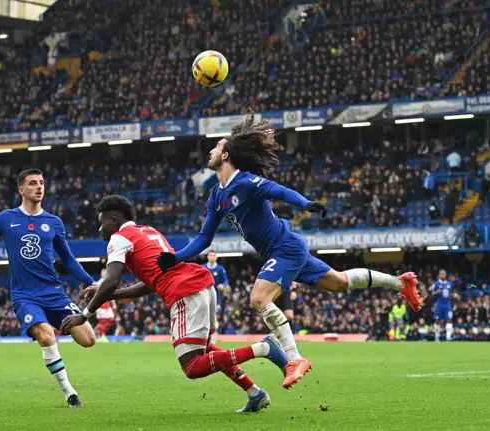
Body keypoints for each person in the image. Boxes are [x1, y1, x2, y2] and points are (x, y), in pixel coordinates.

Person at [156, 110, 422, 389]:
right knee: (340, 282)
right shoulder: (217, 195)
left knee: (259, 300)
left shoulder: (245, 182)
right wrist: (176, 257)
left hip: (285, 247)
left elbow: (279, 191)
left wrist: (306, 204)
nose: (210, 151)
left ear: (225, 156)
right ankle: (399, 283)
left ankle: (294, 358)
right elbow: (203, 239)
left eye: (216, 147)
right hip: (279, 252)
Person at [61, 195, 288, 413]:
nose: (100, 231)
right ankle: (254, 393)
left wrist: (84, 316)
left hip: (184, 291)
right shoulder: (148, 231)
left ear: (114, 219)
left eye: (101, 224)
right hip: (200, 284)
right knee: (206, 350)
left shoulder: (119, 238)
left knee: (192, 366)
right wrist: (109, 295)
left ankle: (263, 348)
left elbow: (111, 280)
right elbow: (151, 283)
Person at [0, 168, 96, 408]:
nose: (39, 187)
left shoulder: (54, 222)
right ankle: (70, 394)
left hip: (54, 293)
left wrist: (91, 281)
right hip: (25, 296)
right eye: (33, 183)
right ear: (21, 189)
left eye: (42, 183)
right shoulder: (5, 218)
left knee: (88, 340)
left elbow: (69, 259)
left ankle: (56, 328)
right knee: (45, 333)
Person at [201, 250, 229, 317]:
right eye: (210, 255)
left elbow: (226, 280)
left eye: (214, 255)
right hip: (204, 295)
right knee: (205, 315)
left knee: (216, 316)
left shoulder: (220, 269)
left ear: (216, 257)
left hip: (216, 296)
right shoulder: (202, 268)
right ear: (208, 257)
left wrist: (223, 285)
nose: (212, 257)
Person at [431, 269, 454, 342]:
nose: (442, 275)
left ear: (445, 275)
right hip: (439, 304)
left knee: (449, 319)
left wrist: (454, 295)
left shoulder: (450, 284)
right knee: (438, 320)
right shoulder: (436, 284)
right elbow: (432, 293)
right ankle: (437, 337)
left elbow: (451, 293)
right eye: (441, 274)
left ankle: (448, 337)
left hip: (447, 304)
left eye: (444, 274)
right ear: (439, 275)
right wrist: (437, 292)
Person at [95, 269, 117, 340]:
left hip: (107, 304)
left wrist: (114, 304)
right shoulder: (98, 283)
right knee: (102, 320)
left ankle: (101, 333)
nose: (104, 274)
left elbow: (111, 294)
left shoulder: (109, 282)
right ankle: (102, 336)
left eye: (105, 273)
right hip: (100, 304)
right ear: (101, 274)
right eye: (103, 273)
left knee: (111, 319)